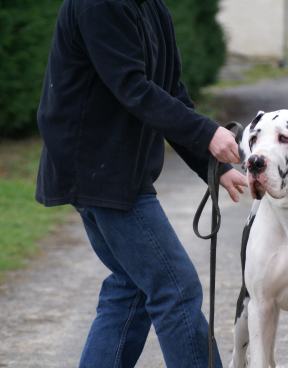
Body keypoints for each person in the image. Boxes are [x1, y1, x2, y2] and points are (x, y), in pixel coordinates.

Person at [35, 0, 247, 366]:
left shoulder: (151, 7)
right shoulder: (100, 5)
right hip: (99, 174)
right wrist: (206, 131)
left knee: (130, 287)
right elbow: (132, 88)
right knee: (176, 289)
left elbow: (170, 91)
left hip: (113, 174)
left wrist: (212, 164)